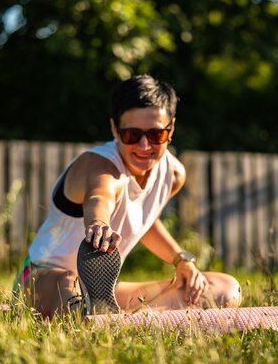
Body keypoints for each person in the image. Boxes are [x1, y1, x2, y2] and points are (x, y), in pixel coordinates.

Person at [14, 74, 242, 318]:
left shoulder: (173, 173)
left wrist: (181, 260)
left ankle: (113, 318)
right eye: (132, 134)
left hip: (106, 291)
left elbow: (145, 220)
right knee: (71, 285)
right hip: (42, 279)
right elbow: (100, 197)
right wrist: (99, 225)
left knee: (225, 289)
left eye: (156, 135)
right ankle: (93, 314)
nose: (144, 145)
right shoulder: (99, 165)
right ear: (114, 128)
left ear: (171, 128)